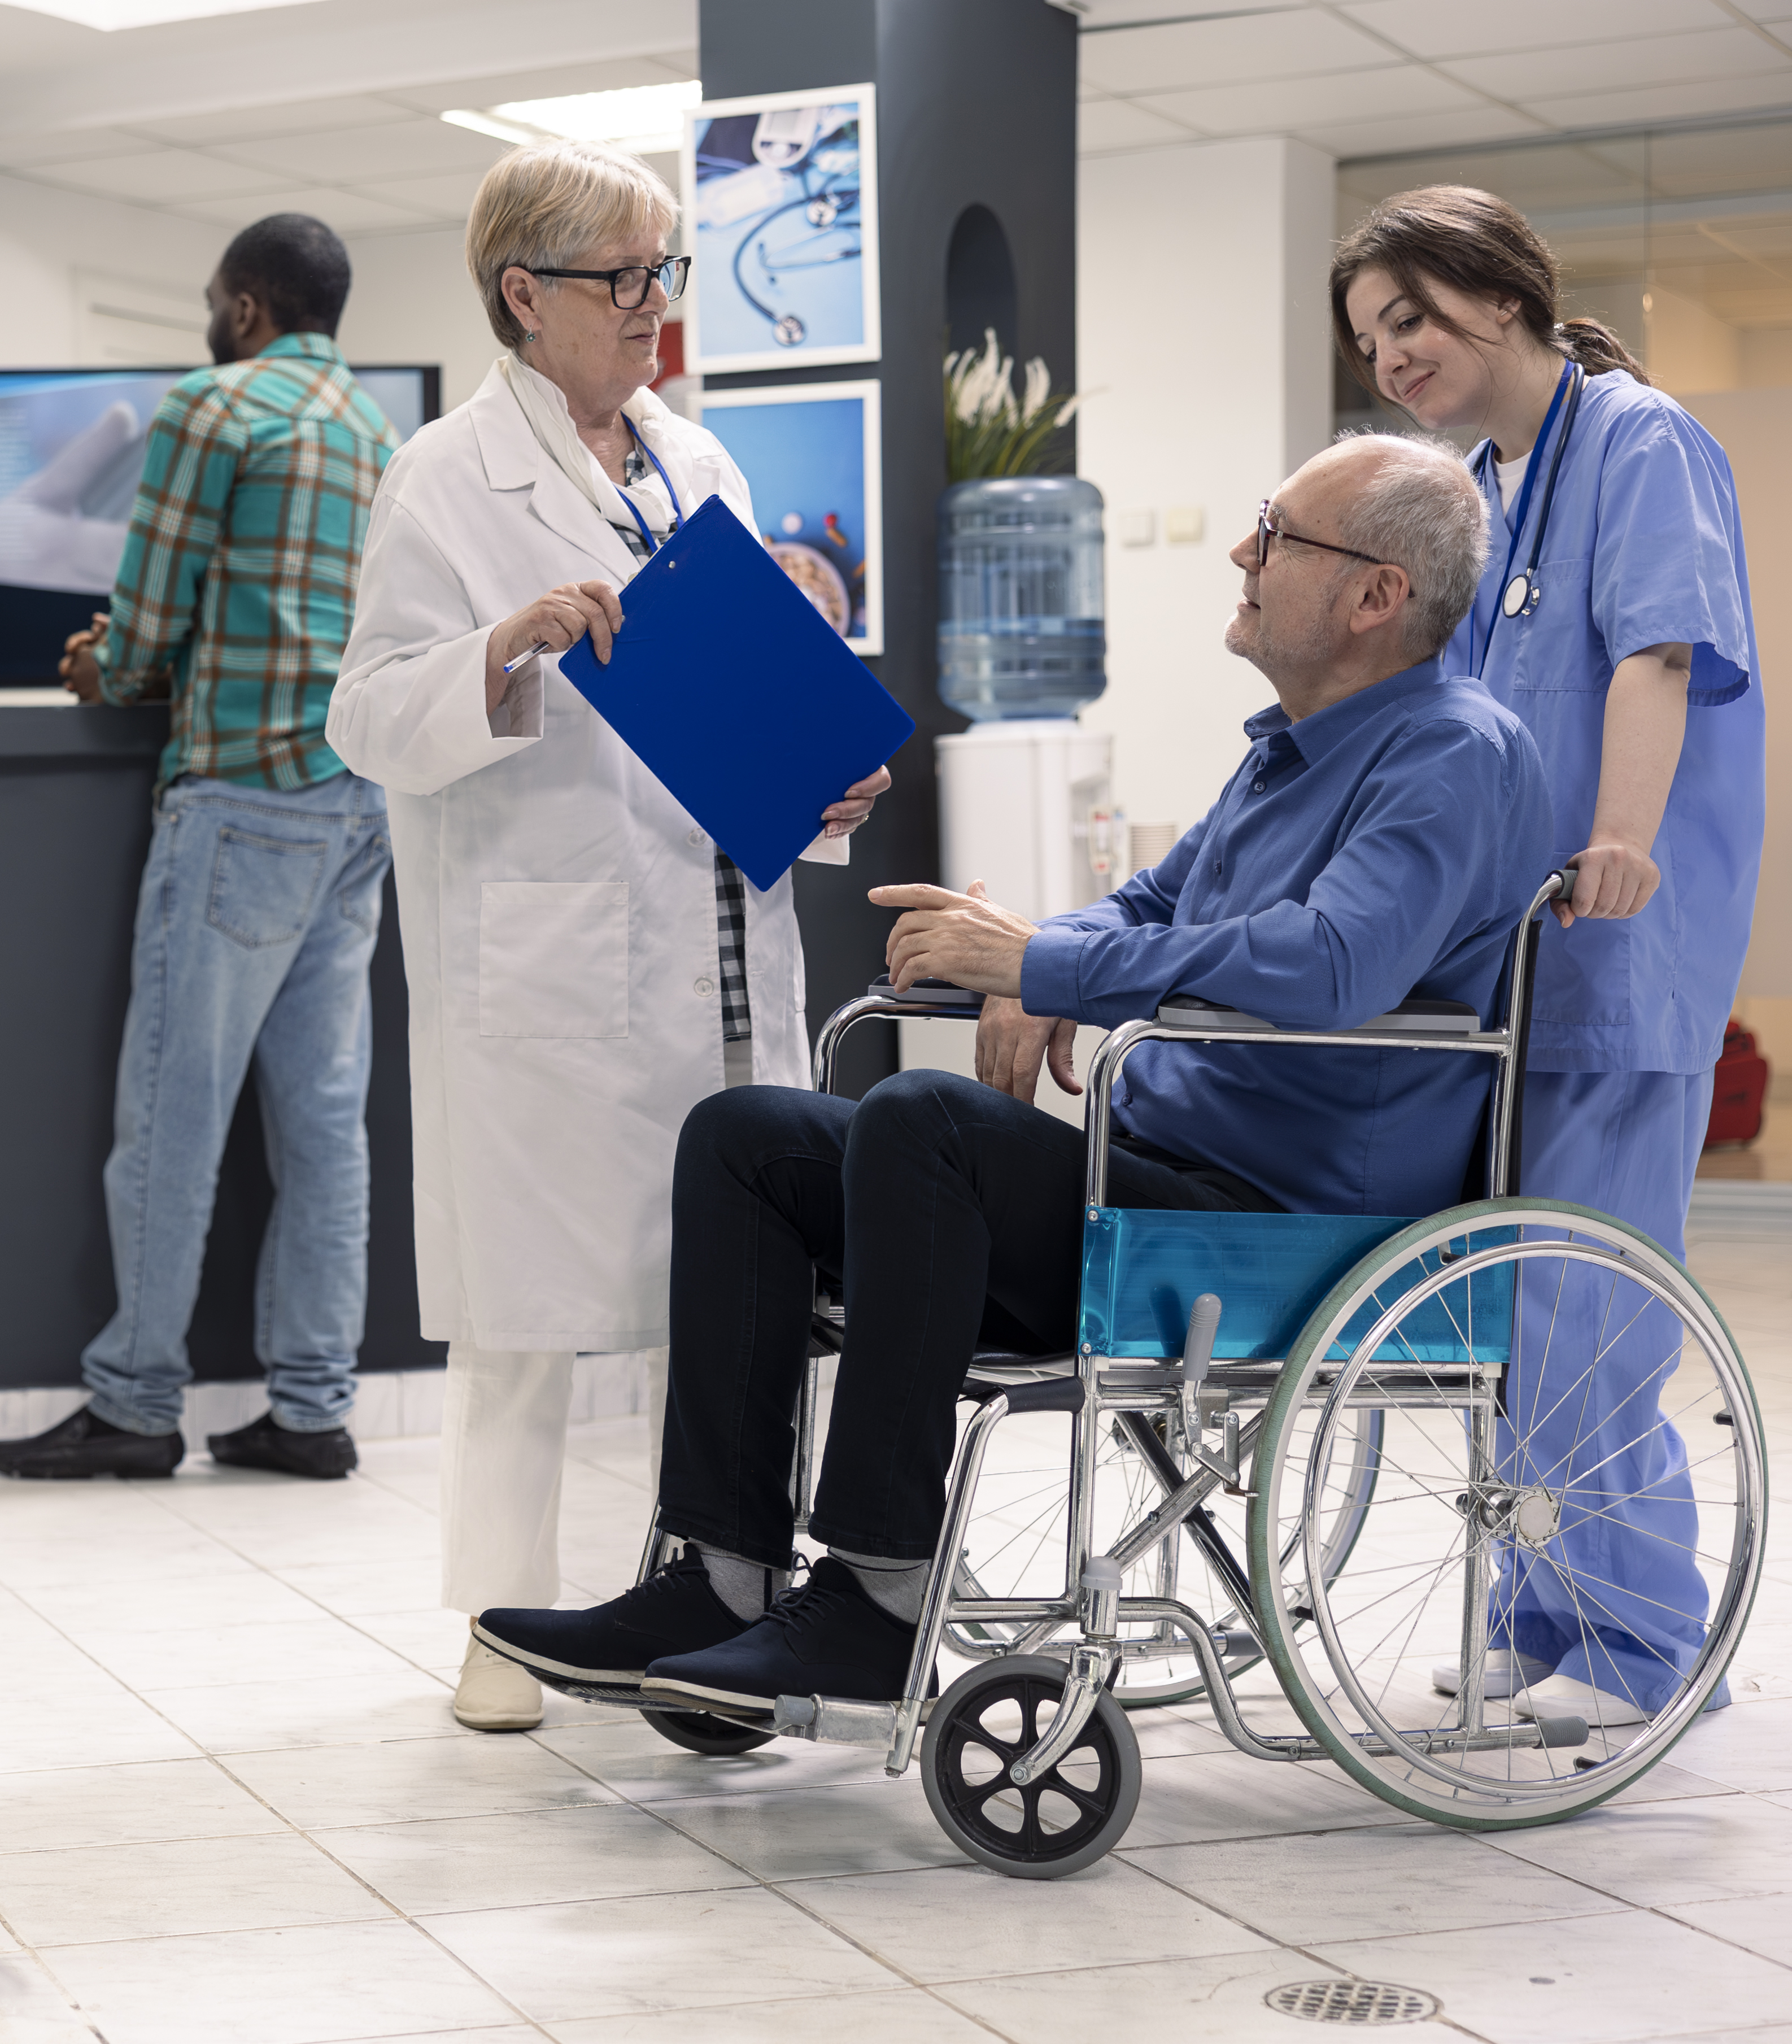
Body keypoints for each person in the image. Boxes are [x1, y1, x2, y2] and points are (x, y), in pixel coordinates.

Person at [475, 434, 1558, 1714]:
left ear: (1377, 595)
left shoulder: (1453, 753)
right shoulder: (1287, 750)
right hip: (1152, 1183)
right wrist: (1029, 965)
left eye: (1275, 536)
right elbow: (1140, 908)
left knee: (925, 1118)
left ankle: (876, 1600)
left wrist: (1039, 966)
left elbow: (1330, 968)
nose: (1240, 553)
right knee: (744, 1138)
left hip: (1284, 1228)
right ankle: (721, 1574)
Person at [321, 141, 890, 1731]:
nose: (654, 309)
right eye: (622, 278)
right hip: (555, 952)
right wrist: (503, 649)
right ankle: (500, 1626)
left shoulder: (694, 464)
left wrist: (818, 783)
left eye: (663, 275)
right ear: (525, 294)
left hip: (717, 930)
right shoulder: (442, 476)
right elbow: (363, 714)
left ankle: (719, 1601)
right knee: (531, 1314)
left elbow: (734, 700)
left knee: (737, 1293)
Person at [1334, 186, 1765, 1725]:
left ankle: (1640, 1643)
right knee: (1512, 1302)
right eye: (1366, 337)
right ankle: (1537, 1601)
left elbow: (1652, 653)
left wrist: (1621, 840)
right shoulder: (1478, 485)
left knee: (1589, 1299)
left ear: (1500, 298)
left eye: (1407, 318)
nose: (1387, 356)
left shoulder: (1637, 437)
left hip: (1618, 944)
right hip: (1509, 960)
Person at [0, 215, 400, 1485]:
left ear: (246, 306)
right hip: (354, 798)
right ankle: (312, 1404)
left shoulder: (213, 408)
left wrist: (99, 663)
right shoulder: (381, 431)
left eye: (216, 300)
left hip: (239, 795)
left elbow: (148, 620)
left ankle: (134, 1398)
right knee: (325, 1122)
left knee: (171, 1112)